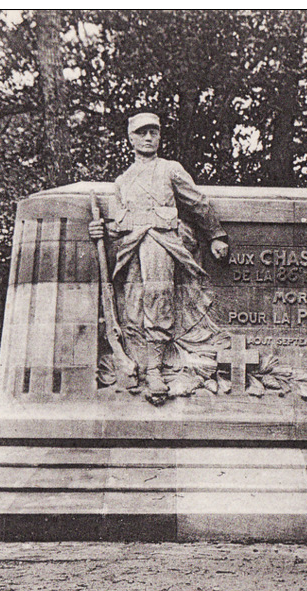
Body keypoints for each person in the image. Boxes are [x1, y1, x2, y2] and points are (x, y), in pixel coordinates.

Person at [89, 113, 229, 397]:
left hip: (160, 242)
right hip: (131, 248)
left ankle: (154, 371)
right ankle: (137, 367)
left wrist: (216, 235)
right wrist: (99, 229)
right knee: (132, 308)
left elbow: (198, 202)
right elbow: (118, 225)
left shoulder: (170, 169)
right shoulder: (123, 181)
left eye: (153, 132)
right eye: (142, 133)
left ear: (160, 137)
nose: (148, 138)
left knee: (158, 301)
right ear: (131, 138)